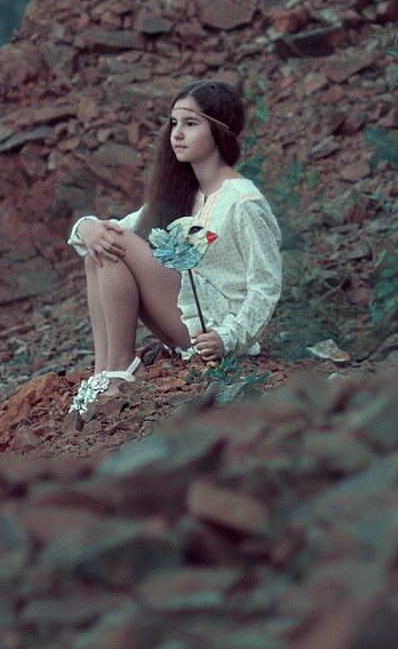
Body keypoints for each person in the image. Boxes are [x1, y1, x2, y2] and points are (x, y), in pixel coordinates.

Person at [67, 79, 282, 413]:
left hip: (215, 330)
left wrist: (230, 336)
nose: (177, 134)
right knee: (100, 250)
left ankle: (121, 371)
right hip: (185, 319)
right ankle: (104, 373)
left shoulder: (244, 201)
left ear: (218, 133)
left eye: (191, 123)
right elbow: (113, 229)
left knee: (115, 244)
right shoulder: (186, 194)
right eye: (174, 124)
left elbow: (265, 285)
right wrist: (87, 226)